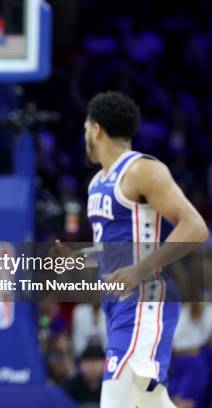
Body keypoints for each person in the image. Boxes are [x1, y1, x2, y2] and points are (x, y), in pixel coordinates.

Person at [82, 91, 209, 407]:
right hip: (118, 306)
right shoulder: (97, 181)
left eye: (85, 127)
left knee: (115, 398)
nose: (84, 134)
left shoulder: (141, 169)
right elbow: (113, 250)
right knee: (150, 402)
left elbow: (195, 227)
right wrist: (79, 257)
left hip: (144, 302)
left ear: (96, 129)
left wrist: (141, 269)